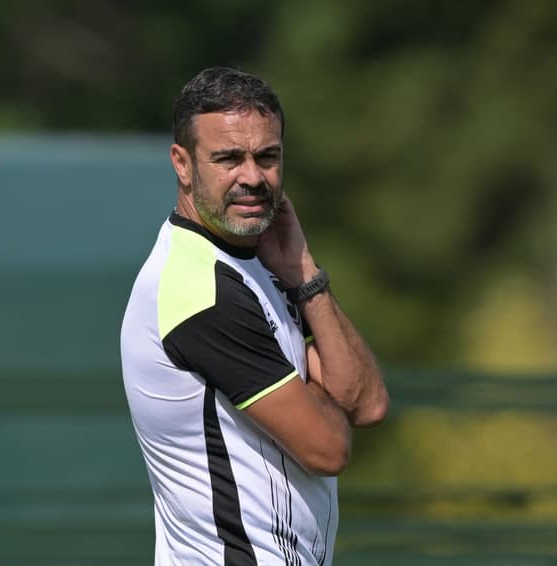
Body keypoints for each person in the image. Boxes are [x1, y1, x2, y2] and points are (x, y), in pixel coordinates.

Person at [120, 66, 389, 566]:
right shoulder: (199, 292)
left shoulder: (260, 268)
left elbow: (368, 403)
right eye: (228, 159)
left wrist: (304, 272)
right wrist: (318, 386)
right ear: (183, 163)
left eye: (267, 157)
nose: (252, 177)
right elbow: (328, 447)